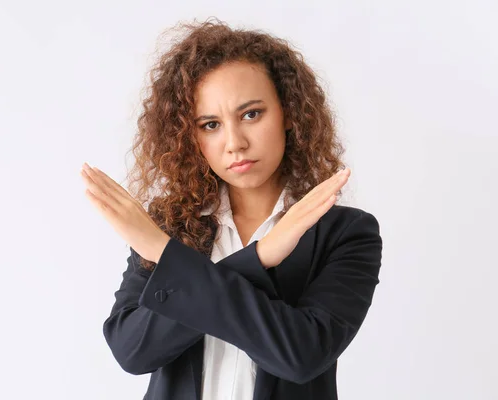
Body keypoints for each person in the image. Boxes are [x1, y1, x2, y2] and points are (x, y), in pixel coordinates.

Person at [80, 18, 383, 400]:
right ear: (191, 136)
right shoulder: (171, 225)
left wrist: (164, 253)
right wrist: (258, 259)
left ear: (288, 112)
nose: (234, 143)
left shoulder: (345, 232)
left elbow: (301, 355)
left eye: (251, 114)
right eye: (210, 124)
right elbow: (133, 350)